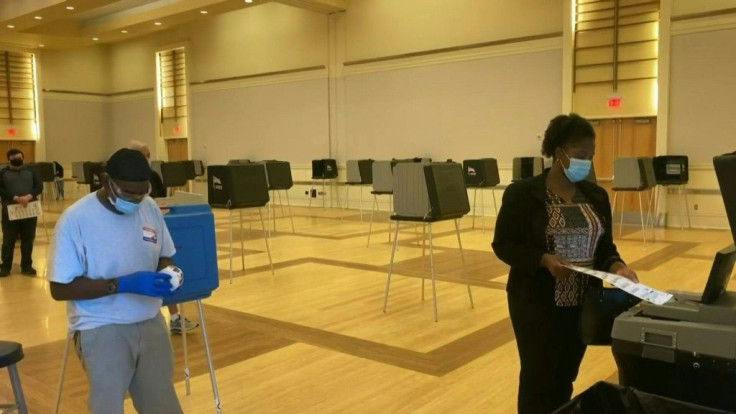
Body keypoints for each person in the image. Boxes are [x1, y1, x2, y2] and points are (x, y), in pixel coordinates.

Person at [492, 113, 639, 414]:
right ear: (559, 153)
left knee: (565, 379)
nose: (587, 162)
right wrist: (543, 260)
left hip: (583, 303)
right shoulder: (523, 194)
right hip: (537, 304)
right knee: (537, 379)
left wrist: (618, 268)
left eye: (591, 156)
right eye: (580, 155)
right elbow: (503, 244)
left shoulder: (596, 197)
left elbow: (605, 248)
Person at [48, 148, 183, 414]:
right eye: (126, 192)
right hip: (101, 326)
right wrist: (123, 284)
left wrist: (168, 274)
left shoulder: (149, 207)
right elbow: (59, 288)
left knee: (163, 406)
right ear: (105, 180)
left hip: (150, 320)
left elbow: (165, 255)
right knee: (107, 408)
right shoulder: (77, 219)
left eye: (141, 192)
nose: (134, 200)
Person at [128, 140, 198, 334]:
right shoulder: (123, 178)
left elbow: (160, 199)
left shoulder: (152, 176)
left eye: (149, 154)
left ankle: (174, 316)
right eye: (145, 154)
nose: (148, 158)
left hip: (155, 228)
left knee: (164, 268)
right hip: (135, 234)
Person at [0, 148, 43, 277]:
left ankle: (27, 266)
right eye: (15, 158)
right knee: (8, 240)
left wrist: (29, 196)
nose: (18, 160)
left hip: (29, 209)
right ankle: (5, 267)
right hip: (10, 210)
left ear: (23, 158)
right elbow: (1, 189)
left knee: (28, 239)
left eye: (20, 157)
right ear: (9, 160)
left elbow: (39, 186)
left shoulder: (31, 171)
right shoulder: (3, 173)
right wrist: (15, 198)